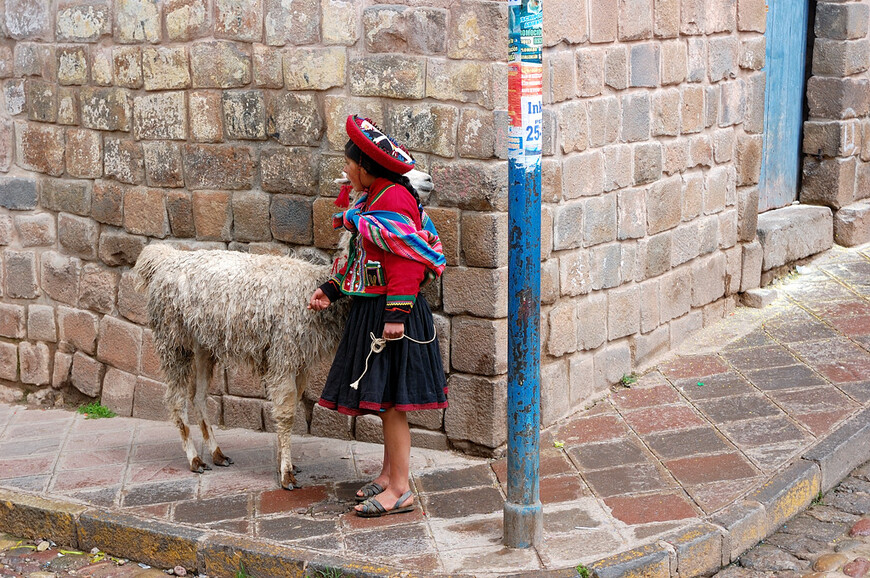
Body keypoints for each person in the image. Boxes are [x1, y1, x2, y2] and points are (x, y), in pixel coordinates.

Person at [308, 115, 448, 517]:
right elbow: (360, 257)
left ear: (366, 168)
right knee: (386, 401)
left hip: (392, 316)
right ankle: (389, 475)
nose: (346, 169)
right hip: (376, 311)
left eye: (349, 164)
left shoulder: (393, 201)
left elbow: (405, 263)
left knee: (392, 406)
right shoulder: (372, 199)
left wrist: (396, 315)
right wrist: (332, 290)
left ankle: (401, 489)